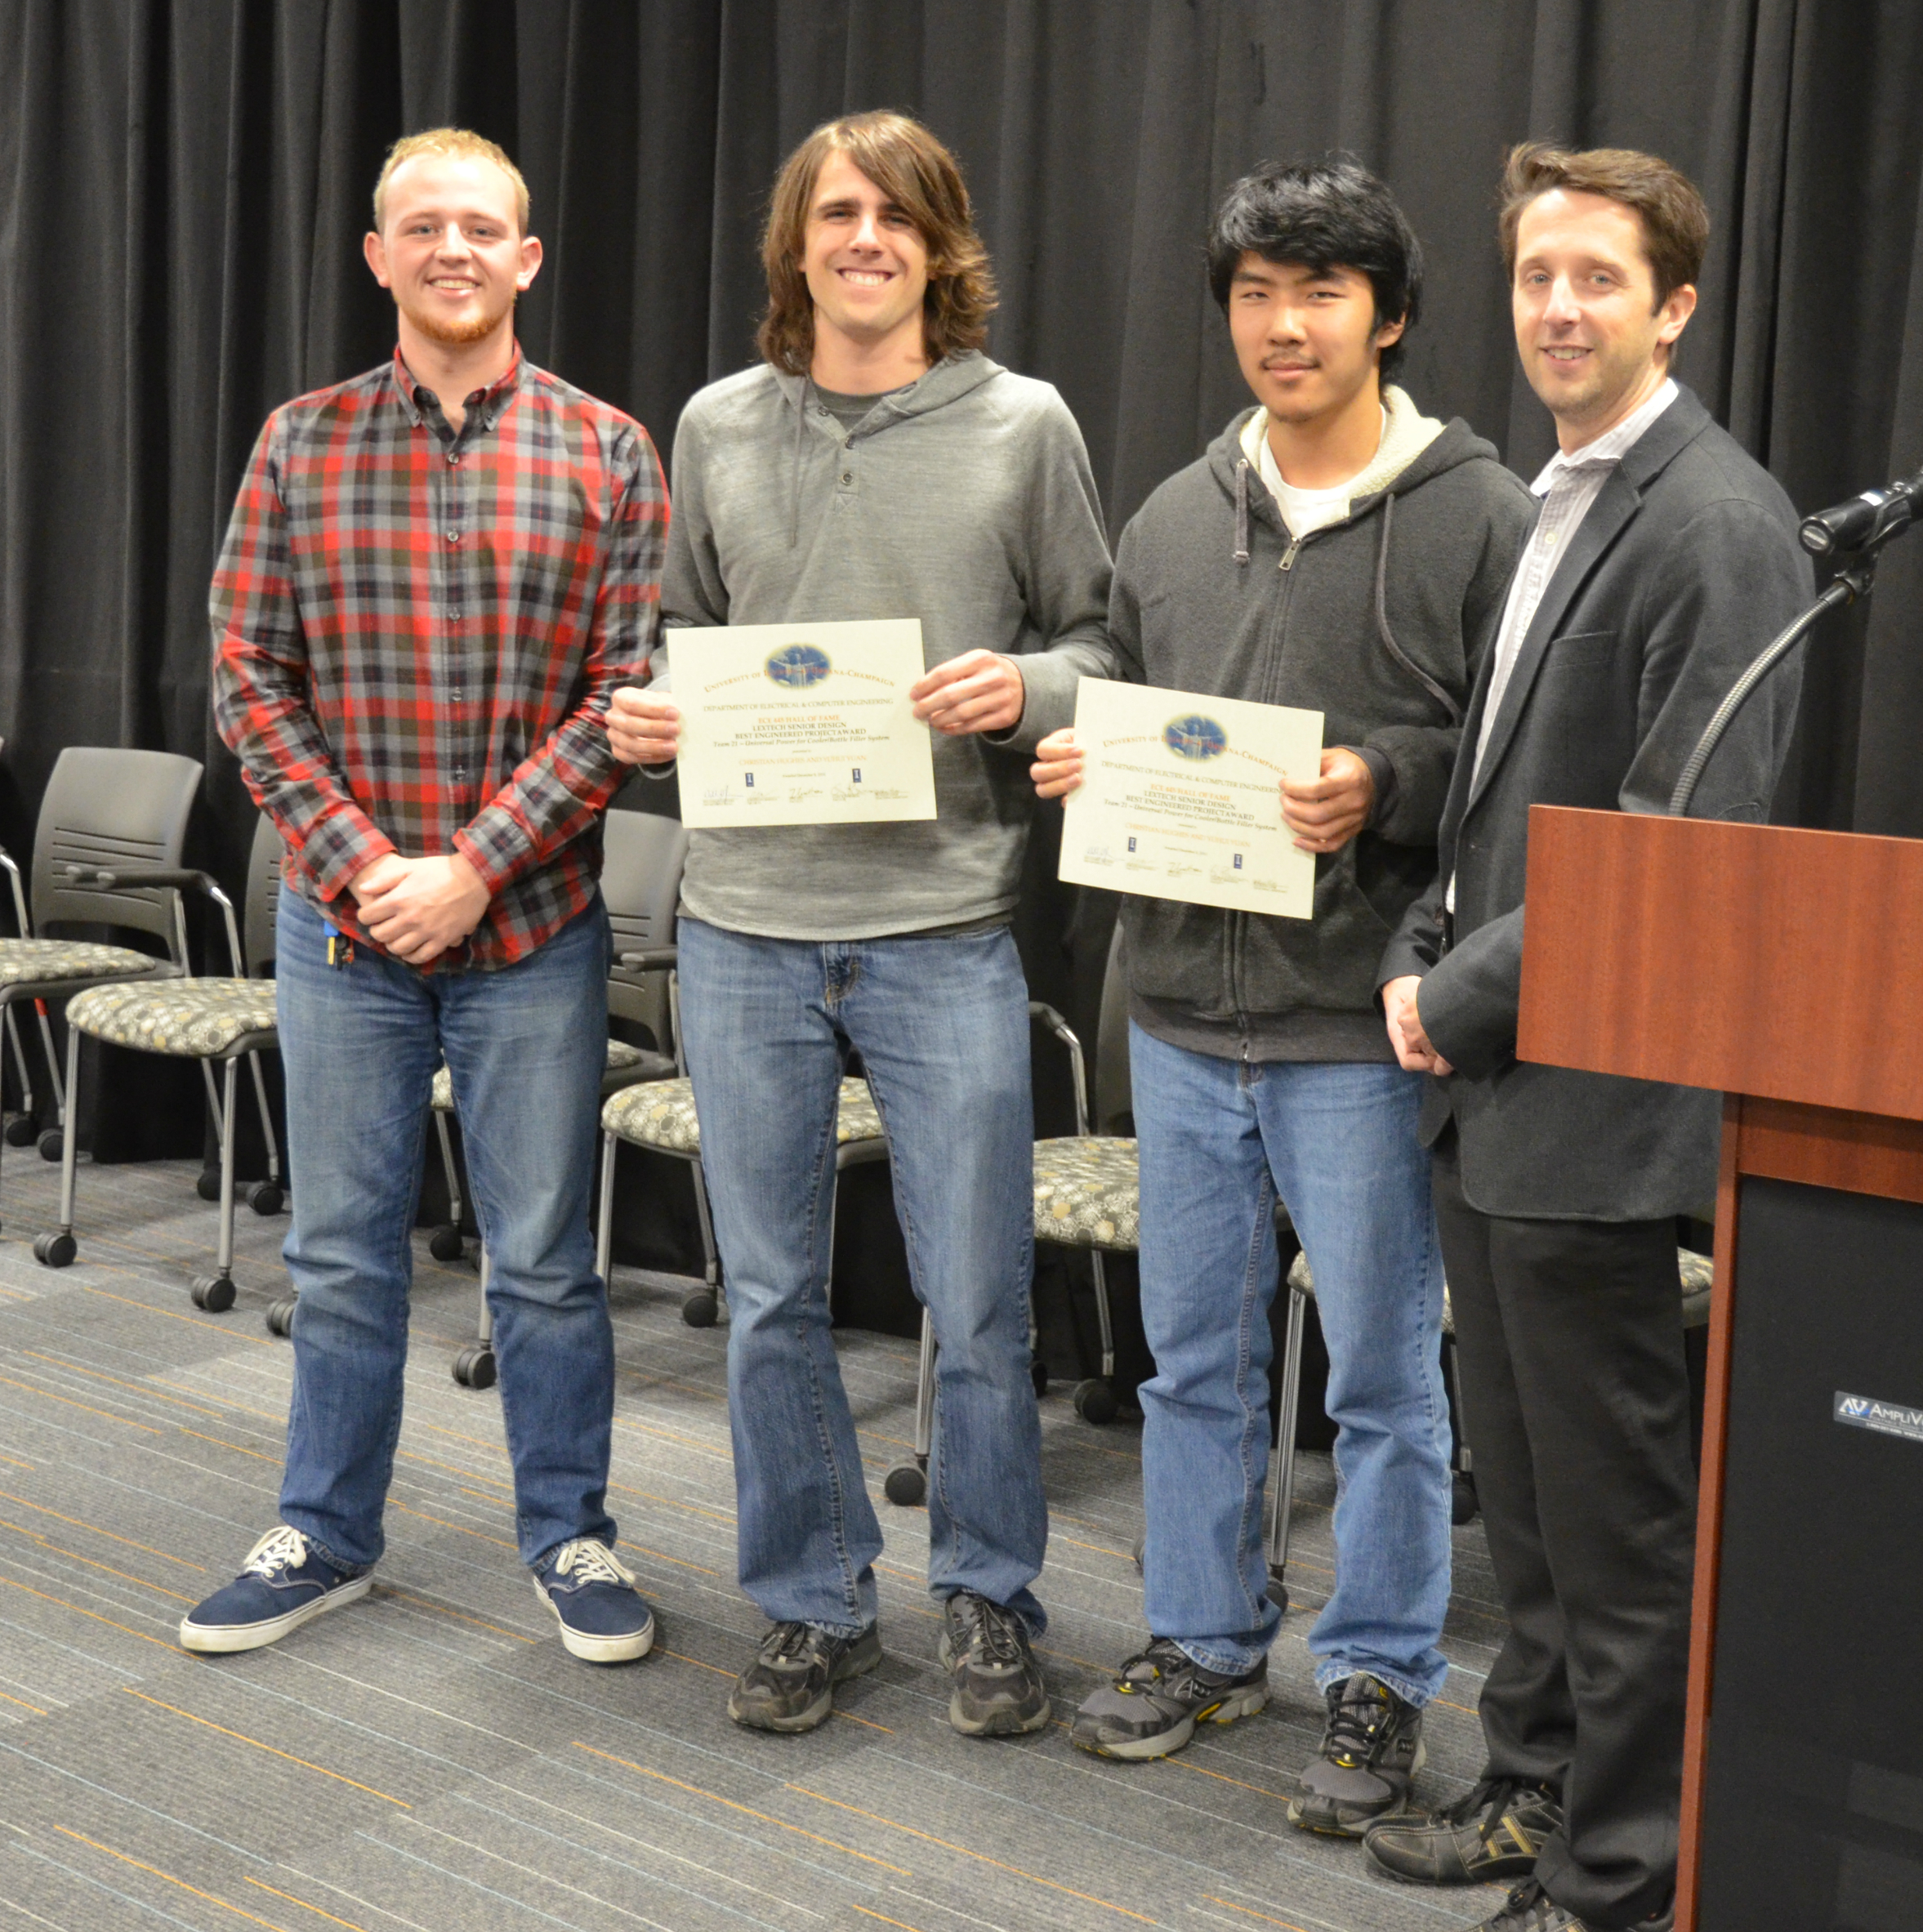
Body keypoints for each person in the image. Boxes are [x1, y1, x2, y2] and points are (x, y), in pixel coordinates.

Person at [1032, 160, 1533, 1829]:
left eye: (1319, 291)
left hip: (1358, 1029)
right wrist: (1076, 731)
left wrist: (1387, 781)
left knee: (1384, 1378)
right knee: (1193, 1364)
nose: (1283, 323)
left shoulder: (1483, 511)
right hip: (1176, 1012)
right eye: (1254, 292)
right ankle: (1203, 1635)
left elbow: (1526, 766)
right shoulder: (1177, 512)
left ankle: (1380, 1672)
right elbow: (1112, 661)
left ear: (1385, 315)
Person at [605, 110, 1115, 1738]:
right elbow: (684, 630)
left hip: (943, 920)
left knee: (974, 1302)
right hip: (744, 922)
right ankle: (815, 1604)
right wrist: (661, 712)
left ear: (940, 243)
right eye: (837, 213)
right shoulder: (715, 426)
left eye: (896, 215)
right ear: (798, 242)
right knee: (767, 1296)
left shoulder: (1025, 425)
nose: (864, 238)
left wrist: (1023, 685)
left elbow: (1105, 641)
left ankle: (983, 1599)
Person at [1371, 145, 1812, 1932]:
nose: (1560, 307)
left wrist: (1447, 995)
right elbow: (1499, 809)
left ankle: (1627, 1876)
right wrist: (1424, 949)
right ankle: (1534, 1795)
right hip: (1500, 1101)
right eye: (1540, 274)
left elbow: (1679, 859)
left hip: (1601, 1107)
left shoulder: (1714, 519)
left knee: (1619, 1540)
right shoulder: (1562, 494)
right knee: (1535, 1517)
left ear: (1676, 305)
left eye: (1600, 279)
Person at [190, 129, 666, 1667]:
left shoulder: (609, 451)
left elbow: (624, 694)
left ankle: (570, 1533)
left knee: (541, 1257)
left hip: (532, 928)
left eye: (482, 227)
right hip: (344, 930)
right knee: (339, 1247)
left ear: (526, 260)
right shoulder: (298, 443)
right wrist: (366, 870)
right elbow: (249, 680)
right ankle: (323, 1530)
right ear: (378, 256)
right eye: (421, 226)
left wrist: (471, 867)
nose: (451, 248)